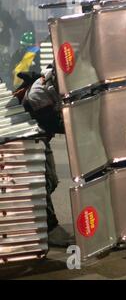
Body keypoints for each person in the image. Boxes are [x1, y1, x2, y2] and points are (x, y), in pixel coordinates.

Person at [13, 68, 72, 247]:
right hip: (25, 139)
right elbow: (55, 124)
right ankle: (49, 228)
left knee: (51, 181)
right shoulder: (38, 94)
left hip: (40, 137)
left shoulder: (53, 79)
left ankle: (34, 220)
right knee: (42, 182)